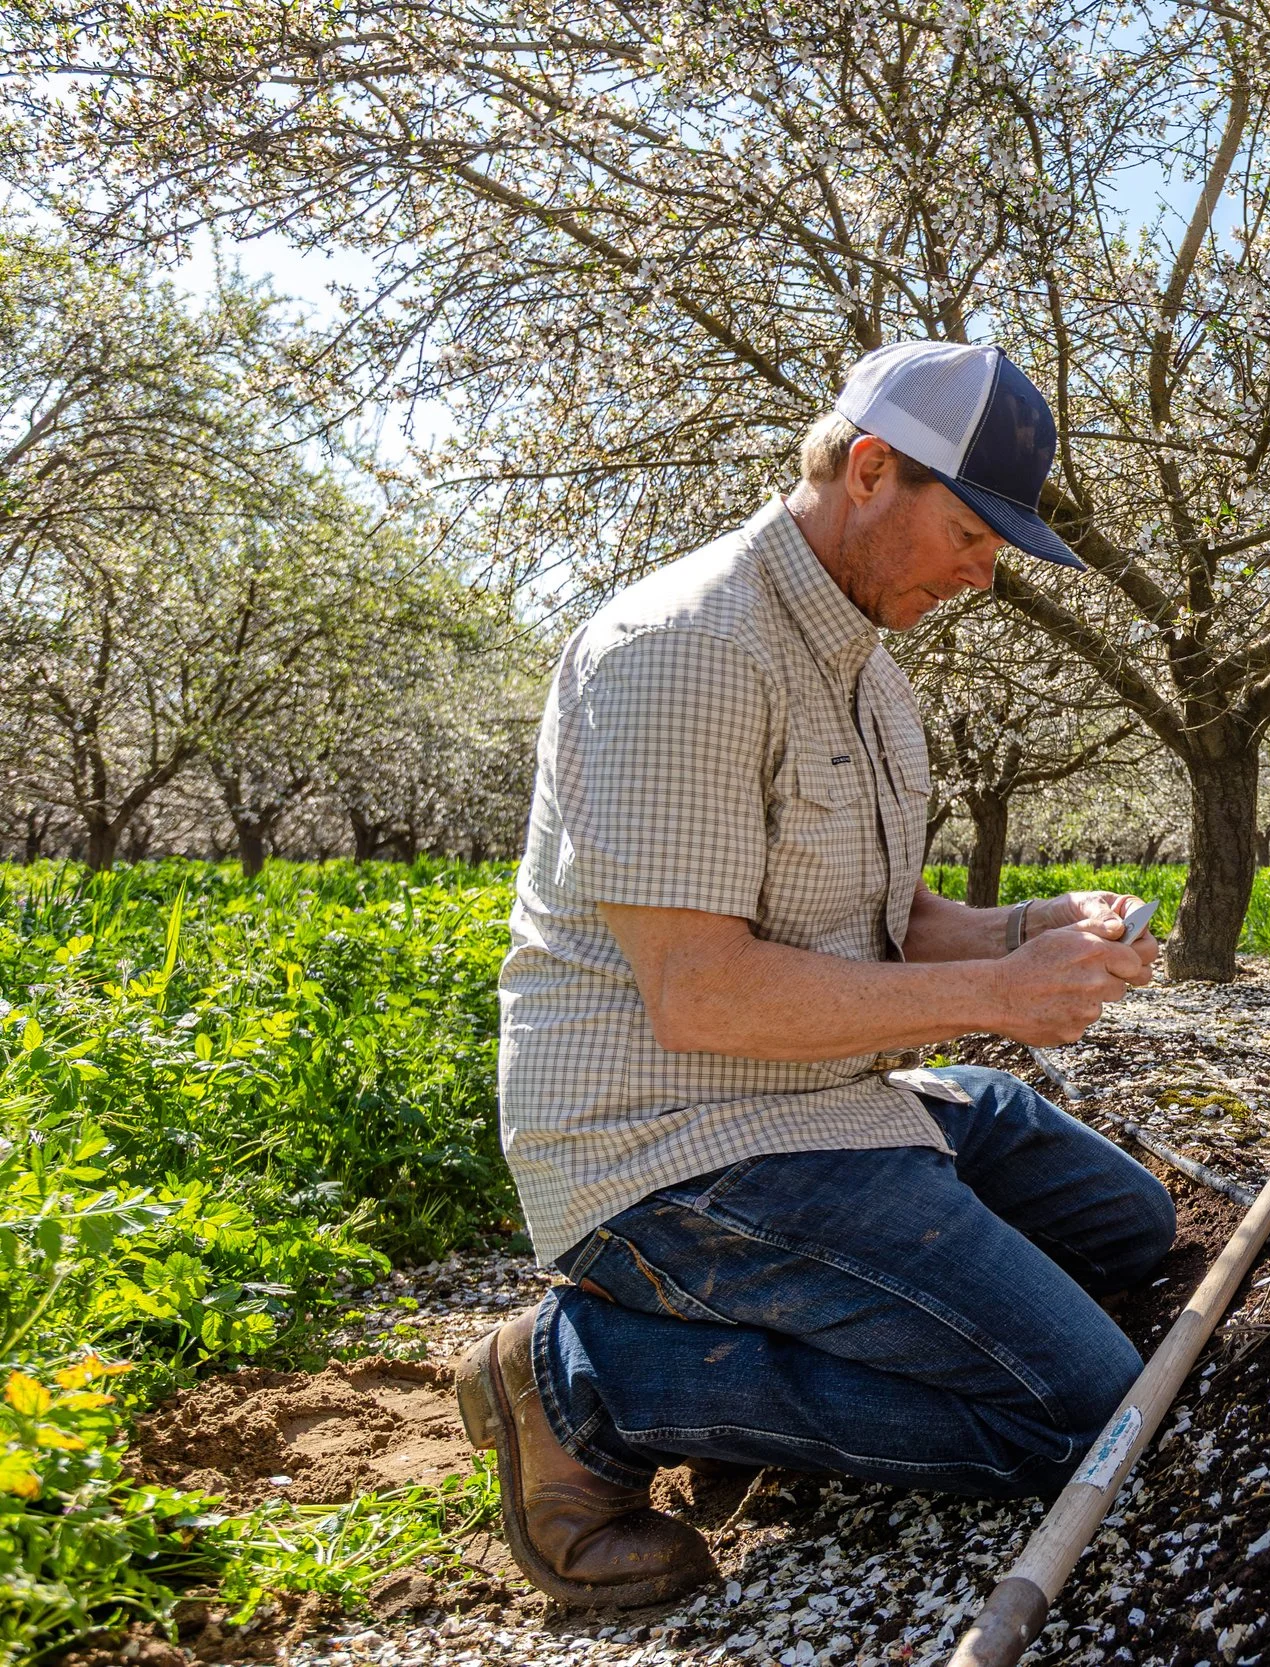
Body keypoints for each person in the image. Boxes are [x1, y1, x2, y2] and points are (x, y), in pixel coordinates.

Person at [463, 341, 1176, 1609]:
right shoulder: (683, 651)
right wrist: (1003, 1001)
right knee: (1077, 1410)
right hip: (671, 1137)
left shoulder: (868, 673)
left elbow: (895, 927)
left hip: (823, 1096)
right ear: (867, 469)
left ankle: (818, 1343)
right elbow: (704, 994)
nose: (984, 569)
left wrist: (1031, 927)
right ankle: (587, 1380)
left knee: (1128, 1225)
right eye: (970, 530)